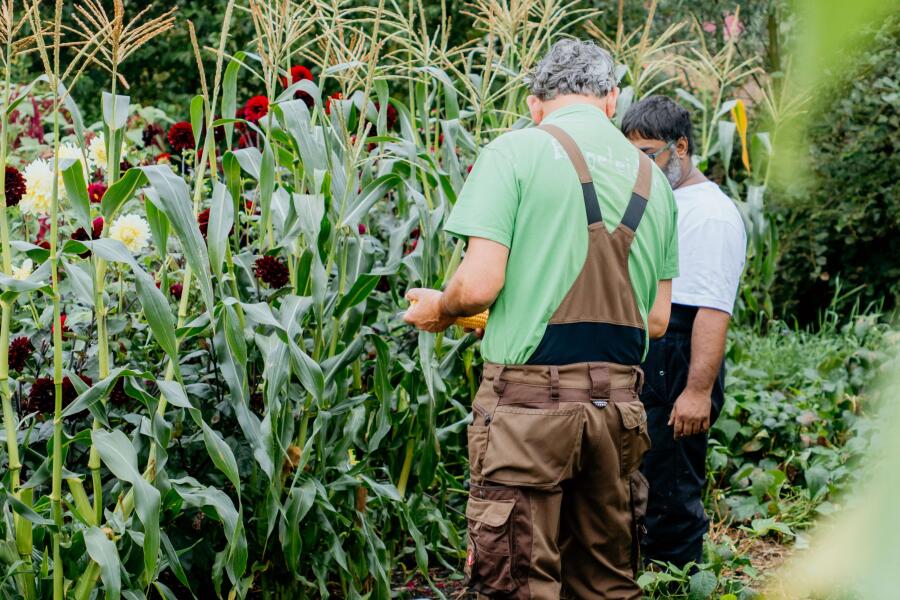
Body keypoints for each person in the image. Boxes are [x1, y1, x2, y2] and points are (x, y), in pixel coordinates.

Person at [404, 39, 680, 599]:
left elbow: (480, 283)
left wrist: (442, 308)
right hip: (619, 413)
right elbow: (654, 320)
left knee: (519, 582)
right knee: (606, 583)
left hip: (528, 412)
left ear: (535, 103)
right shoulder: (655, 183)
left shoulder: (515, 151)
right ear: (611, 100)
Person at [621, 95, 747, 568]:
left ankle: (675, 579)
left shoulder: (709, 214)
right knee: (643, 480)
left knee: (670, 489)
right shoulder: (661, 201)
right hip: (652, 353)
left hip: (680, 358)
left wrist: (696, 391)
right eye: (631, 156)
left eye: (649, 155)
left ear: (682, 147)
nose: (641, 167)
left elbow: (713, 311)